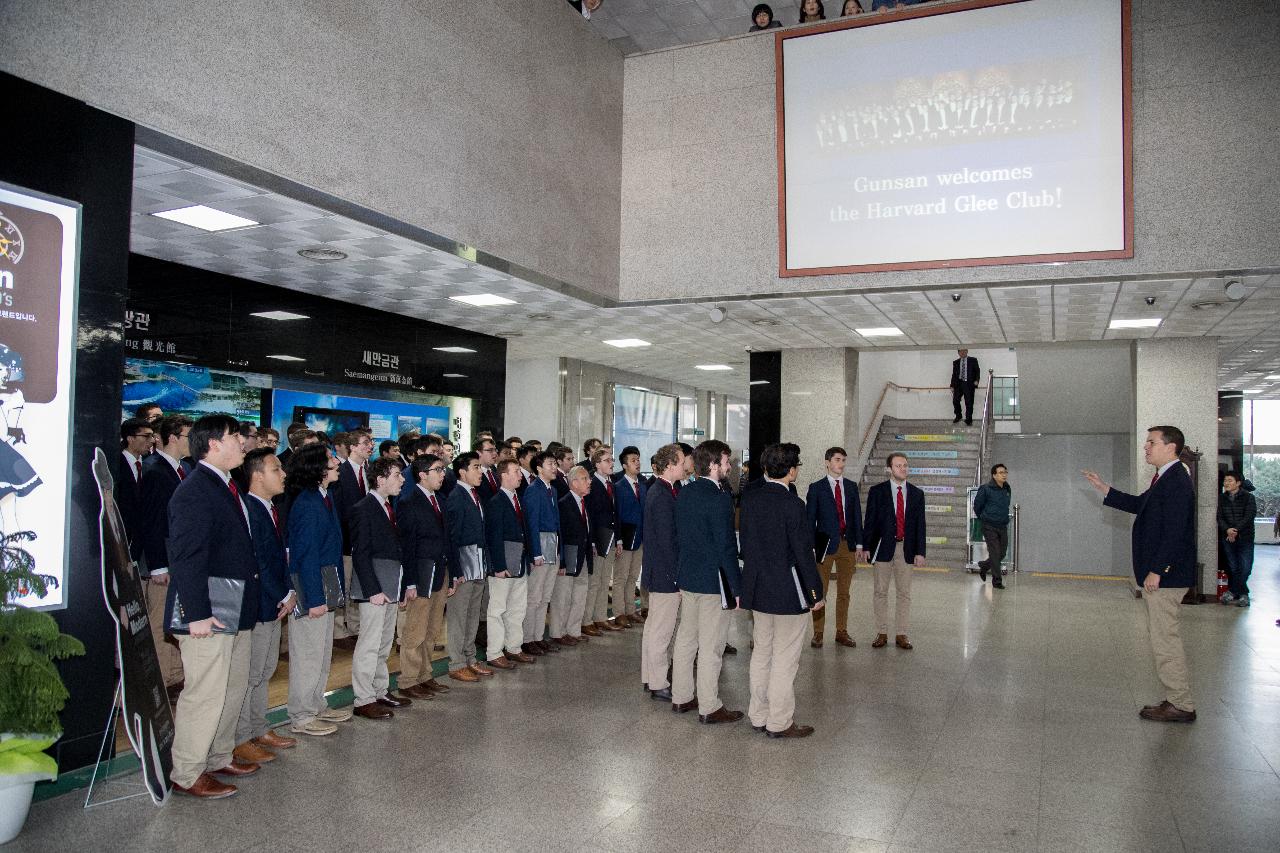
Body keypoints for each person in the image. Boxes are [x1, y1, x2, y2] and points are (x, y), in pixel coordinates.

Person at [164, 415, 261, 799]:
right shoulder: (194, 491)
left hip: (233, 606)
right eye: (235, 437)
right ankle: (187, 771)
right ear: (213, 445)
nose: (243, 443)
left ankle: (218, 755)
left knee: (230, 687)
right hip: (207, 611)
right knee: (204, 693)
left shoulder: (225, 486)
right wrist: (196, 614)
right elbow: (187, 559)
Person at [1084, 426, 1197, 723]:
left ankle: (1181, 704)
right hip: (1163, 573)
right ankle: (1176, 698)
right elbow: (1139, 505)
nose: (1146, 447)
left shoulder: (1177, 482)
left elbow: (1175, 532)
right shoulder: (1164, 478)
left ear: (1170, 447)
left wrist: (1158, 570)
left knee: (1165, 640)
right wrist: (1105, 489)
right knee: (1162, 639)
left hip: (1167, 576)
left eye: (1151, 442)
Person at [740, 443, 823, 738]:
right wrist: (815, 593)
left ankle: (758, 715)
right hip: (789, 591)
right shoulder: (792, 504)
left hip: (759, 588)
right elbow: (803, 553)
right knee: (785, 659)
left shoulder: (750, 499)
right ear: (791, 471)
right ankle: (779, 722)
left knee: (762, 653)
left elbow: (746, 545)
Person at [233, 448, 297, 766]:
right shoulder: (249, 509)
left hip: (274, 601)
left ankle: (259, 726)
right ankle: (241, 736)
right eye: (276, 469)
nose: (283, 474)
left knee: (264, 671)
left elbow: (279, 557)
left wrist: (289, 590)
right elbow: (257, 561)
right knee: (250, 673)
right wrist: (281, 594)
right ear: (258, 475)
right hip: (259, 603)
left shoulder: (270, 508)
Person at [671, 440, 742, 725]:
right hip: (714, 581)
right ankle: (710, 706)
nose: (728, 467)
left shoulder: (684, 493)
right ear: (713, 465)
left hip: (688, 576)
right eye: (726, 462)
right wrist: (736, 587)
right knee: (711, 646)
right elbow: (726, 546)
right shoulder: (720, 497)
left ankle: (681, 696)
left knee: (686, 640)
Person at [284, 444, 349, 737]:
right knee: (307, 655)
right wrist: (314, 598)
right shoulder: (307, 504)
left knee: (322, 652)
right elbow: (305, 556)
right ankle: (301, 715)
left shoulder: (326, 497)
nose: (336, 462)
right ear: (317, 469)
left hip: (327, 581)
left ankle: (316, 704)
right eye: (330, 459)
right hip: (313, 587)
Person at [349, 457, 410, 719]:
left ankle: (379, 689)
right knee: (370, 643)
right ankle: (363, 698)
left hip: (390, 583)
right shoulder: (364, 507)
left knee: (384, 643)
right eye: (397, 475)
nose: (403, 479)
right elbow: (360, 552)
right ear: (380, 479)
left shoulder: (387, 506)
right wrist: (372, 589)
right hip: (374, 586)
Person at [139, 414, 194, 697]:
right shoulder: (154, 470)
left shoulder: (182, 469)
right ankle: (156, 687)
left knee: (175, 621)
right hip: (163, 561)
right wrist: (158, 565)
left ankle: (174, 678)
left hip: (179, 559)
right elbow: (151, 521)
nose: (192, 442)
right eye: (188, 435)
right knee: (161, 622)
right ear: (173, 437)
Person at [394, 454, 452, 699]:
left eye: (443, 470)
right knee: (415, 629)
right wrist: (409, 581)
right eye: (437, 470)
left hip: (440, 570)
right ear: (422, 474)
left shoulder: (439, 499)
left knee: (432, 628)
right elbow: (407, 546)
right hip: (421, 573)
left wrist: (455, 572)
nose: (442, 474)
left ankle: (425, 675)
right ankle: (408, 680)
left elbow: (448, 539)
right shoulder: (409, 502)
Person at [863, 452, 926, 650]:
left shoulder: (916, 494)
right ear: (889, 469)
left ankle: (901, 633)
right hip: (882, 548)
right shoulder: (877, 491)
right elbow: (870, 521)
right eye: (899, 466)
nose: (903, 469)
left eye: (906, 465)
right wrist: (866, 547)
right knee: (880, 591)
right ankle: (881, 632)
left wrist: (920, 552)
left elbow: (920, 525)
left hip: (906, 548)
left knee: (904, 593)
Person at [806, 446, 863, 649]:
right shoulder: (816, 488)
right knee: (821, 591)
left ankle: (841, 631)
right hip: (825, 546)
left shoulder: (851, 486)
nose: (841, 464)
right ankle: (818, 633)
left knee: (844, 592)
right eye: (838, 459)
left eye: (843, 460)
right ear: (827, 462)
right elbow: (809, 519)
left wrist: (859, 544)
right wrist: (811, 546)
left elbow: (856, 516)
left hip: (847, 544)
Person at [640, 443, 684, 700]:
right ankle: (658, 682)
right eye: (679, 462)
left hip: (659, 571)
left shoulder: (664, 490)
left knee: (654, 627)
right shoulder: (661, 494)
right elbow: (667, 541)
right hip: (665, 572)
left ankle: (650, 676)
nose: (683, 466)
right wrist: (676, 574)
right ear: (669, 466)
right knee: (662, 631)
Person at [445, 451, 494, 682]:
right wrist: (456, 571)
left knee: (473, 613)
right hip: (464, 564)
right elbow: (452, 537)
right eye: (476, 467)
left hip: (478, 561)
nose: (480, 471)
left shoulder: (475, 495)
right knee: (459, 614)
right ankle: (456, 663)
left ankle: (470, 658)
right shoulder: (456, 496)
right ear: (462, 472)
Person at [485, 459, 536, 669]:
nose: (520, 475)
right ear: (504, 475)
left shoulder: (519, 499)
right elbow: (493, 536)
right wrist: (498, 565)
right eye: (516, 472)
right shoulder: (496, 502)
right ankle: (494, 652)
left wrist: (530, 557)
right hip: (504, 563)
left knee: (517, 608)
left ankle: (514, 647)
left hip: (519, 561)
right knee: (497, 609)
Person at [332, 429, 374, 646]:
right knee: (344, 583)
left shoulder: (370, 472)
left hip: (365, 541)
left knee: (358, 584)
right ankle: (339, 631)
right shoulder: (341, 472)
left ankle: (356, 627)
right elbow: (339, 510)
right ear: (353, 447)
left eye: (371, 442)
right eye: (366, 442)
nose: (371, 446)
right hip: (346, 541)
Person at [522, 450, 562, 657]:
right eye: (550, 464)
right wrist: (535, 552)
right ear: (539, 468)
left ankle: (538, 637)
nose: (554, 467)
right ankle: (527, 638)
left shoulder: (552, 490)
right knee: (534, 596)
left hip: (553, 545)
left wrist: (559, 552)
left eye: (555, 463)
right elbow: (531, 523)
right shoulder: (533, 490)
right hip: (540, 545)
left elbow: (557, 524)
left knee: (545, 596)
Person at [549, 466, 594, 647]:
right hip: (569, 556)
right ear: (574, 483)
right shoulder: (564, 503)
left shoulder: (584, 502)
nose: (589, 482)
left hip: (582, 555)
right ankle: (558, 632)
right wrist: (563, 560)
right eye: (584, 479)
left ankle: (573, 630)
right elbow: (562, 534)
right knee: (563, 596)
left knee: (580, 595)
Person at [585, 445, 622, 635]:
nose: (611, 463)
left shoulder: (611, 483)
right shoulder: (591, 484)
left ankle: (600, 617)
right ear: (597, 464)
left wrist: (619, 539)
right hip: (598, 538)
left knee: (604, 579)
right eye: (607, 460)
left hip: (610, 537)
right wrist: (591, 541)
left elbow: (616, 513)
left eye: (612, 460)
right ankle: (587, 619)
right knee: (594, 581)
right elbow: (589, 515)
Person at [613, 446, 647, 627]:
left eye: (638, 459)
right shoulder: (618, 486)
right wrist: (618, 538)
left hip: (640, 537)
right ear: (625, 465)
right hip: (625, 537)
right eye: (633, 460)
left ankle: (630, 609)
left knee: (633, 576)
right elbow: (616, 514)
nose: (638, 463)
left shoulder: (642, 485)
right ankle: (619, 612)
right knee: (621, 577)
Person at [1218, 470, 1257, 606]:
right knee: (1233, 567)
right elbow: (1220, 517)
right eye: (1225, 481)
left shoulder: (1248, 498)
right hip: (1228, 538)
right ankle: (1243, 595)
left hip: (1245, 537)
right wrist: (1228, 530)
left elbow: (1249, 516)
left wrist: (1235, 530)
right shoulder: (1222, 498)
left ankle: (1232, 591)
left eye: (1230, 481)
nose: (1226, 483)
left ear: (1238, 483)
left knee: (1246, 567)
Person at [973, 463, 1011, 589]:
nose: (1004, 474)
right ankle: (997, 581)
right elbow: (977, 506)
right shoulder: (985, 488)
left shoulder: (1007, 488)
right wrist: (984, 517)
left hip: (1002, 525)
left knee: (1001, 553)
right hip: (989, 526)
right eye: (1001, 472)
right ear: (994, 475)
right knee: (995, 553)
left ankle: (984, 566)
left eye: (1005, 472)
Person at [950, 348, 980, 426]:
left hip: (969, 384)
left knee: (969, 402)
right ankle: (958, 416)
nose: (962, 352)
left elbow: (977, 371)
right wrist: (952, 385)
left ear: (967, 351)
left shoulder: (973, 360)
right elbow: (954, 375)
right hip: (958, 384)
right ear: (958, 353)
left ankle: (968, 419)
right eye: (960, 351)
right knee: (955, 400)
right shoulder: (956, 362)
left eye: (964, 351)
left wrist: (977, 380)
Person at [474, 436, 501, 501]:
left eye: (495, 450)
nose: (495, 454)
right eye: (490, 450)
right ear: (478, 453)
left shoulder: (496, 472)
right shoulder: (473, 475)